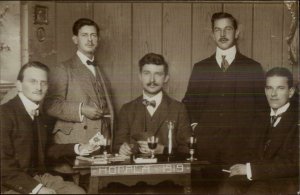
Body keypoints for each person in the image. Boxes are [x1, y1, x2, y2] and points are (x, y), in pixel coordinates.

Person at [182, 12, 267, 164]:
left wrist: (252, 143)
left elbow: (262, 109)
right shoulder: (200, 68)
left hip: (241, 151)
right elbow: (188, 103)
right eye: (217, 30)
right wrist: (196, 127)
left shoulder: (252, 67)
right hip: (205, 150)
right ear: (212, 35)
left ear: (237, 33)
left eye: (227, 29)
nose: (222, 34)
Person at [0, 61, 98, 194]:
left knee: (77, 193)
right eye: (33, 81)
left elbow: (45, 149)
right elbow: (3, 167)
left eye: (43, 82)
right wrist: (37, 189)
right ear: (19, 85)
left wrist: (77, 148)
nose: (39, 87)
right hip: (10, 183)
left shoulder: (38, 112)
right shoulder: (4, 114)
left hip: (37, 177)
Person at [44, 18, 114, 172]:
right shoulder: (63, 68)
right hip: (73, 143)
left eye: (93, 35)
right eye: (84, 35)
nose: (90, 39)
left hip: (98, 142)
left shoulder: (100, 71)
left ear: (98, 39)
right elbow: (50, 105)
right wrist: (81, 109)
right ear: (75, 39)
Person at [218, 67, 299, 194]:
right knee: (227, 188)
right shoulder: (259, 117)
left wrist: (250, 170)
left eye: (280, 88)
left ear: (291, 92)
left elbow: (294, 164)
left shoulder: (297, 119)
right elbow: (249, 151)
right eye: (269, 88)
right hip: (256, 178)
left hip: (283, 182)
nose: (273, 94)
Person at [114, 53, 192, 156]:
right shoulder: (126, 110)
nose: (152, 80)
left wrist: (163, 150)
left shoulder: (179, 109)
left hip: (168, 171)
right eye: (147, 73)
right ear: (140, 76)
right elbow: (117, 146)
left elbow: (187, 149)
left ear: (166, 78)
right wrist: (122, 149)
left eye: (158, 74)